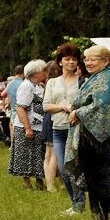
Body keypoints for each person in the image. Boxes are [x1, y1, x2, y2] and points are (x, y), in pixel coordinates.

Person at [65, 45, 110, 220]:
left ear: (105, 61)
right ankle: (97, 218)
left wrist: (77, 113)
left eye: (93, 59)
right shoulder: (96, 77)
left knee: (101, 180)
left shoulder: (108, 79)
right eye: (86, 59)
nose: (88, 63)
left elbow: (103, 106)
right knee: (92, 180)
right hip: (90, 136)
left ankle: (107, 219)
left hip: (101, 139)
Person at [44, 43, 87, 214]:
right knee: (62, 169)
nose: (71, 62)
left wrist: (71, 109)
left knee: (74, 168)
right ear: (60, 62)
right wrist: (64, 107)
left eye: (74, 59)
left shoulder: (82, 81)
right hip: (58, 129)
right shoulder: (52, 82)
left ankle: (79, 206)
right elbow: (46, 106)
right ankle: (76, 203)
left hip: (76, 129)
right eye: (67, 59)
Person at [9, 60, 48, 190]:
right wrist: (27, 128)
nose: (46, 73)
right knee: (25, 155)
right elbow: (21, 108)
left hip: (38, 125)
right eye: (44, 70)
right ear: (36, 73)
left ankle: (39, 181)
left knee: (37, 155)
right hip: (27, 126)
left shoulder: (38, 86)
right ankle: (26, 183)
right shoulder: (27, 86)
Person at [42, 61, 62, 190]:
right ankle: (51, 185)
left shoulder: (48, 84)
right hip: (55, 117)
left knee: (48, 154)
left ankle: (51, 184)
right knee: (55, 154)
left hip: (47, 118)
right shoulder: (57, 84)